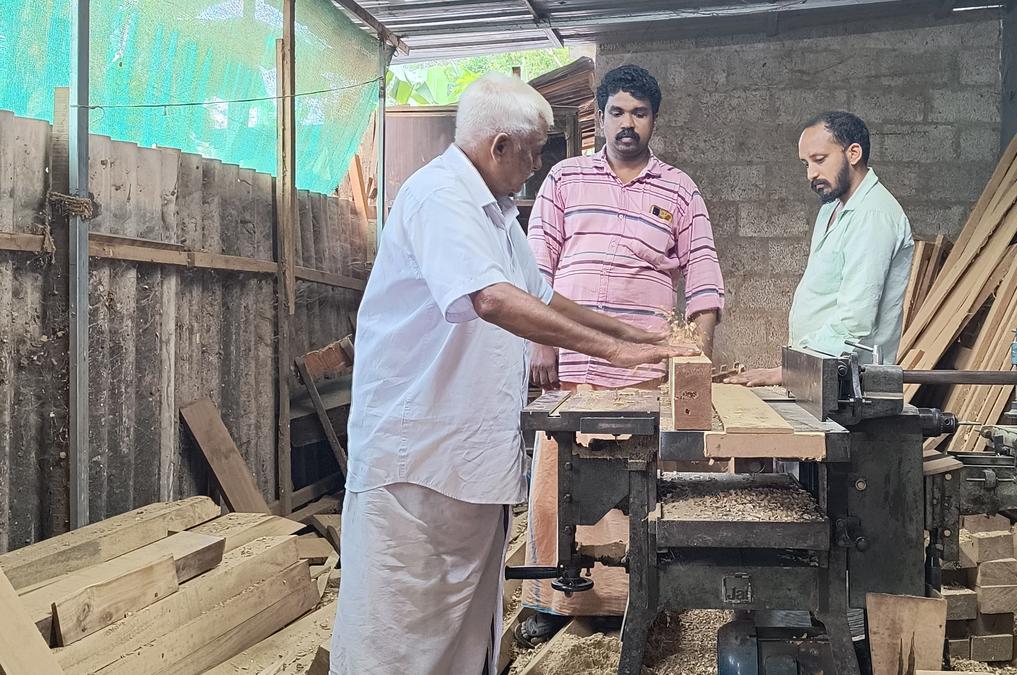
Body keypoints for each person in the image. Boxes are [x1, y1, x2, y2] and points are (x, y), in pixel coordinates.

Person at [329, 72, 695, 675]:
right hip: (418, 462)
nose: (537, 164)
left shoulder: (495, 211)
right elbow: (492, 300)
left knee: (458, 634)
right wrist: (613, 356)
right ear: (500, 146)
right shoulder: (439, 198)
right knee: (399, 637)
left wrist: (637, 336)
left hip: (462, 461)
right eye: (532, 151)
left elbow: (543, 295)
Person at [516, 64, 726, 646]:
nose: (627, 123)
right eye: (617, 112)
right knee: (556, 481)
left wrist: (696, 355)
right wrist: (541, 341)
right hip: (573, 364)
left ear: (653, 119)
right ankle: (551, 601)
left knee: (638, 485)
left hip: (644, 370)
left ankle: (640, 600)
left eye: (639, 112)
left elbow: (704, 271)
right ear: (600, 116)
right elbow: (536, 268)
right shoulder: (564, 178)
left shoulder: (679, 189)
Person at [728, 110, 913, 386]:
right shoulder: (831, 209)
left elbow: (855, 319)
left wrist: (789, 372)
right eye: (805, 163)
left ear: (853, 153)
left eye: (819, 160)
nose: (810, 174)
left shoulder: (873, 215)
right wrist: (796, 367)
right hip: (823, 378)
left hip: (852, 387)